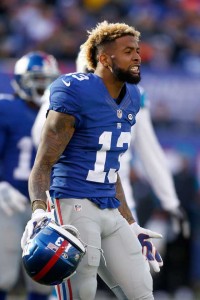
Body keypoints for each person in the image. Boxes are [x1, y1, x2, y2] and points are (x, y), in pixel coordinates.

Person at [21, 21, 163, 300]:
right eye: (127, 51)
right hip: (72, 206)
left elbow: (110, 167)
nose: (137, 56)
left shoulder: (132, 96)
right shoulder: (76, 91)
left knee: (141, 291)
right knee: (80, 293)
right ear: (104, 59)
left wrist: (131, 223)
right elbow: (43, 163)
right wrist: (39, 211)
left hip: (110, 208)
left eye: (137, 50)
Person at [0, 51, 60, 300]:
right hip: (9, 200)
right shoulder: (6, 108)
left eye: (48, 80)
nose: (43, 86)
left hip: (45, 205)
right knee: (3, 275)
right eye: (37, 79)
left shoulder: (60, 114)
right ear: (22, 80)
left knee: (44, 279)